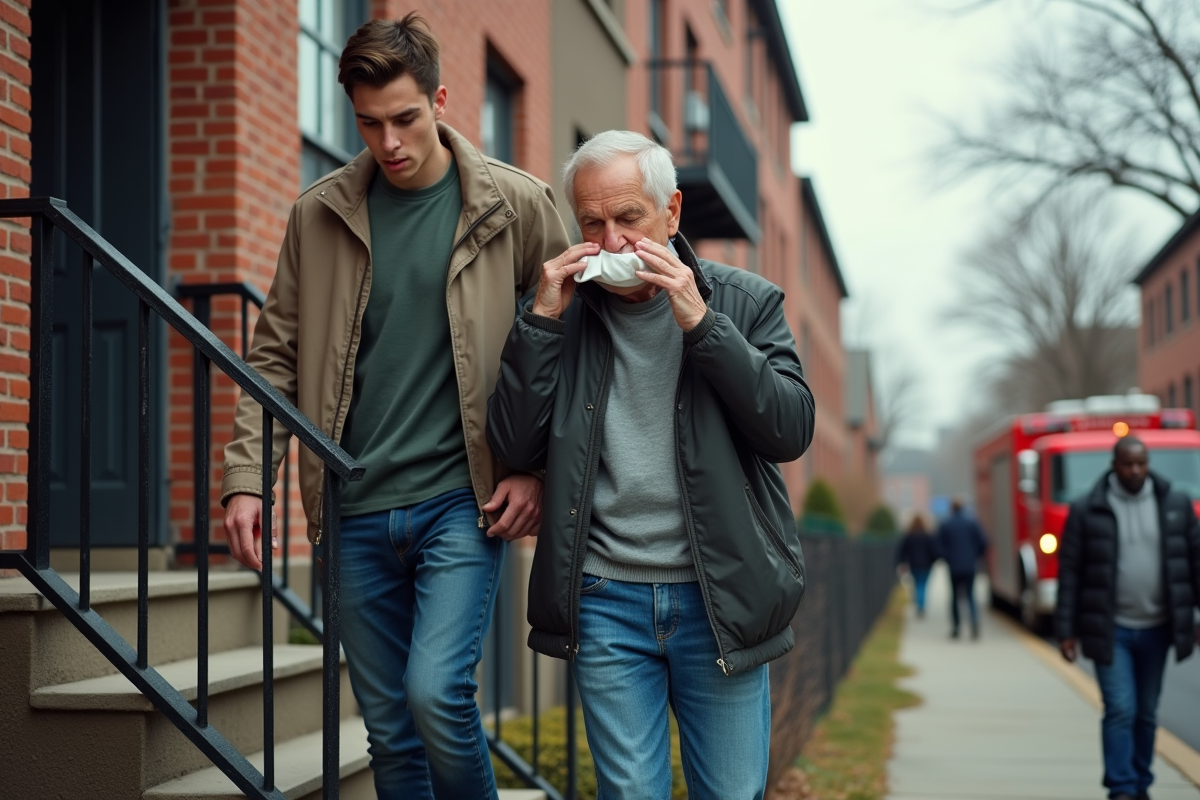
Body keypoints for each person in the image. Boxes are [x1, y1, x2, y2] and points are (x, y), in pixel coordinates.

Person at [219, 15, 570, 799]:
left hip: (461, 501)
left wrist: (541, 469)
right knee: (390, 736)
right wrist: (249, 475)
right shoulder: (320, 214)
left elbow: (574, 345)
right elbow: (273, 352)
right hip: (351, 510)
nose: (390, 142)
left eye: (406, 118)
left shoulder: (514, 206)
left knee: (436, 696)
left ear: (441, 100)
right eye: (369, 124)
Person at [486, 130, 815, 799]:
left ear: (671, 213)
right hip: (605, 600)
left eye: (629, 218)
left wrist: (704, 327)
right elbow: (514, 447)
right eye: (592, 223)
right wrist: (542, 323)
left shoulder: (746, 303)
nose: (610, 242)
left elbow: (790, 428)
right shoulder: (560, 313)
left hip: (717, 599)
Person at [1055, 436, 1200, 800]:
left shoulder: (1176, 503)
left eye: (1141, 463)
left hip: (1158, 627)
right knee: (1121, 708)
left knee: (1147, 713)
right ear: (1114, 465)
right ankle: (1121, 788)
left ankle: (1141, 783)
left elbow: (1195, 564)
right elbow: (1070, 572)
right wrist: (1066, 630)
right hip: (1111, 629)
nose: (1135, 470)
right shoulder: (1087, 509)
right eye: (1127, 464)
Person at [935, 497, 988, 639]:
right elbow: (984, 542)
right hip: (970, 565)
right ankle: (974, 623)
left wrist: (947, 557)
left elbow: (938, 547)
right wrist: (975, 555)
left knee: (954, 597)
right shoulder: (972, 523)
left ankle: (956, 627)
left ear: (952, 508)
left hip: (953, 566)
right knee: (970, 595)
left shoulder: (946, 525)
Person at [896, 514, 938, 618]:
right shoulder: (927, 536)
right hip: (926, 565)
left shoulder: (910, 536)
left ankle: (919, 605)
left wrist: (900, 562)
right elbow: (934, 551)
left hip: (914, 564)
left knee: (917, 584)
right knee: (923, 585)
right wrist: (933, 561)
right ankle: (921, 606)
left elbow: (902, 551)